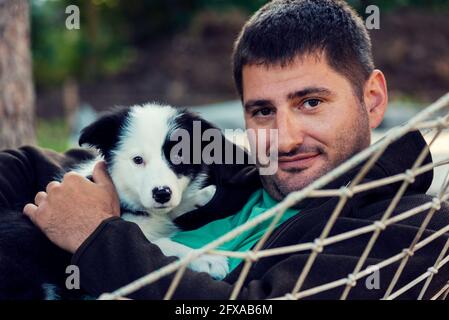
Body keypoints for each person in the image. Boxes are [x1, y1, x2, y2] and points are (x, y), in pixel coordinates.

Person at [1, 0, 449, 299]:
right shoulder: (224, 167)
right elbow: (29, 167)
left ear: (372, 99)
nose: (286, 137)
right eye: (261, 111)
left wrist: (97, 237)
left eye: (311, 103)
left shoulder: (414, 227)